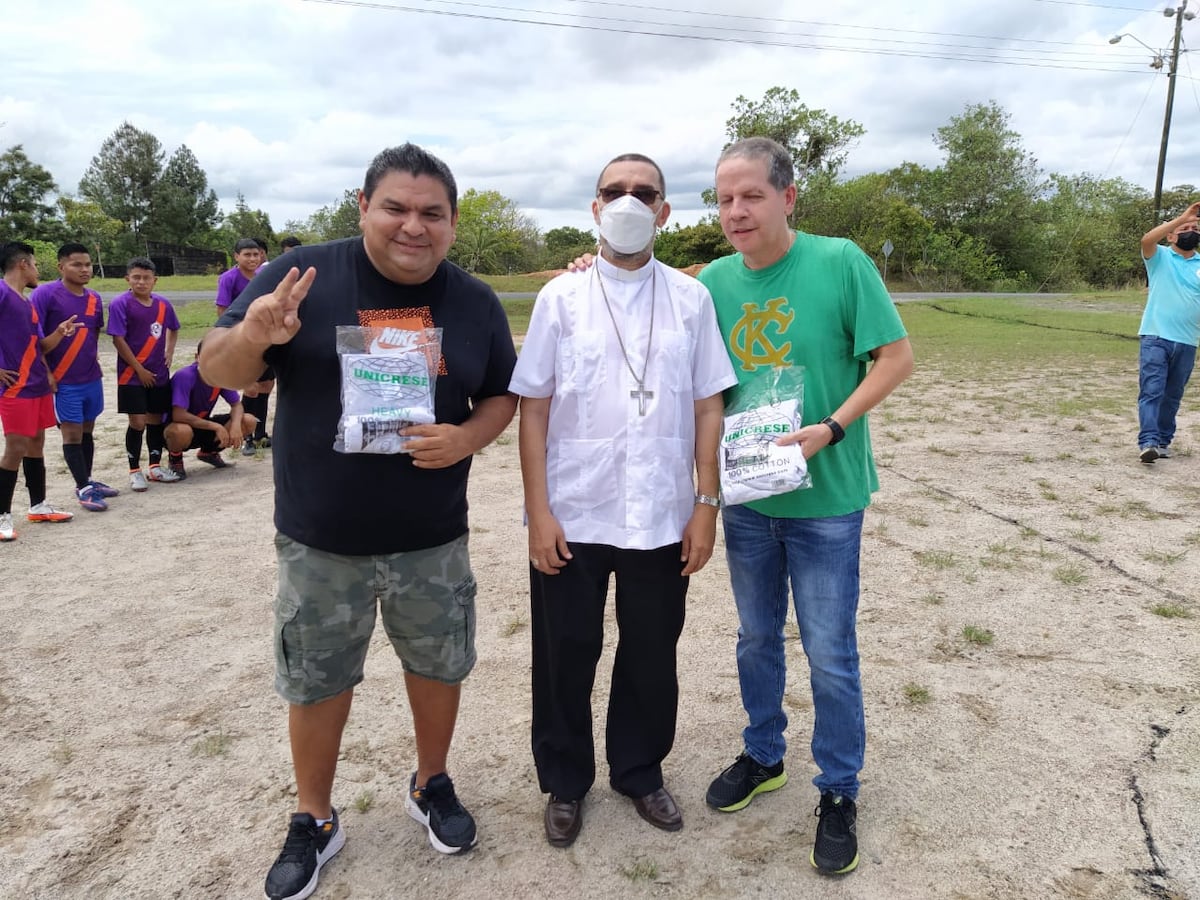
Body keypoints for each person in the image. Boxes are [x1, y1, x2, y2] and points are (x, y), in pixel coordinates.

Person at [198, 143, 517, 900]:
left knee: (439, 666)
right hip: (321, 537)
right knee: (315, 679)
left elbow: (505, 392)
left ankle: (431, 782)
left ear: (453, 221)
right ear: (363, 206)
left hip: (431, 535)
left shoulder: (473, 301)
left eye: (431, 213)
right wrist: (256, 336)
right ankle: (313, 816)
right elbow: (216, 368)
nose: (414, 227)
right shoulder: (301, 275)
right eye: (396, 208)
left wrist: (468, 437)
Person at [697, 137, 912, 876]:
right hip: (749, 498)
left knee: (828, 650)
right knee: (756, 637)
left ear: (788, 197)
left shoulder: (841, 262)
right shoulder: (714, 282)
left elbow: (896, 358)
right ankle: (763, 754)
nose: (735, 211)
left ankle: (840, 789)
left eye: (751, 195)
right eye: (724, 199)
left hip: (826, 498)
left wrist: (833, 427)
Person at [510, 153, 736, 849]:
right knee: (565, 651)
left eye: (646, 193)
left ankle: (639, 771)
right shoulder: (561, 298)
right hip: (574, 509)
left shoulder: (692, 299)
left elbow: (707, 406)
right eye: (616, 191)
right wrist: (538, 511)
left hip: (662, 511)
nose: (629, 202)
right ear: (594, 206)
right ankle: (565, 781)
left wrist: (705, 504)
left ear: (666, 212)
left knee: (649, 652)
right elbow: (535, 412)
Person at [30, 242, 120, 512]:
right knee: (71, 433)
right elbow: (34, 340)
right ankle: (83, 489)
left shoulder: (93, 298)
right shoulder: (45, 295)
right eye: (76, 264)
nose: (84, 269)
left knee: (88, 429)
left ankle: (88, 479)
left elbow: (92, 334)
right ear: (61, 267)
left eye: (87, 264)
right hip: (62, 379)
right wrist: (46, 373)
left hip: (90, 377)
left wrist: (94, 361)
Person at [0, 241, 76, 541]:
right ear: (22, 264)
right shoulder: (3, 293)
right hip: (15, 387)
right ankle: (3, 515)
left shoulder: (26, 302)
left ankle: (38, 505)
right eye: (34, 264)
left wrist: (59, 333)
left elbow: (39, 346)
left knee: (36, 444)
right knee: (15, 447)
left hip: (37, 385)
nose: (37, 270)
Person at [107, 257, 183, 490]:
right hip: (132, 375)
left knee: (155, 419)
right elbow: (117, 339)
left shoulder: (163, 304)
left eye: (146, 278)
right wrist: (139, 370)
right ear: (127, 279)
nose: (141, 282)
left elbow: (174, 328)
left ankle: (154, 466)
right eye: (136, 277)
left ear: (155, 280)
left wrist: (169, 351)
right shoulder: (120, 303)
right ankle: (134, 470)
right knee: (137, 421)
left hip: (159, 373)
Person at [1135, 201, 1200, 463]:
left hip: (1187, 340)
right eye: (1184, 228)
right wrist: (1181, 217)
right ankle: (1148, 440)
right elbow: (1146, 239)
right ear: (1171, 234)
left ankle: (1162, 440)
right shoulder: (1159, 256)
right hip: (1156, 336)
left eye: (1195, 227)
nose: (1190, 231)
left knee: (1172, 395)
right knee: (1152, 390)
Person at [164, 343, 256, 478]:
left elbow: (236, 405)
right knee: (181, 431)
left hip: (201, 424)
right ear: (197, 357)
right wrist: (216, 427)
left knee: (248, 421)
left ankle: (208, 452)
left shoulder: (221, 376)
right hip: (176, 426)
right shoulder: (185, 376)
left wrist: (236, 426)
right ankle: (175, 459)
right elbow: (179, 415)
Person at [214, 238, 263, 314]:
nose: (252, 259)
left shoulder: (262, 276)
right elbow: (222, 308)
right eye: (247, 255)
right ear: (236, 256)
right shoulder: (228, 278)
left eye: (256, 255)